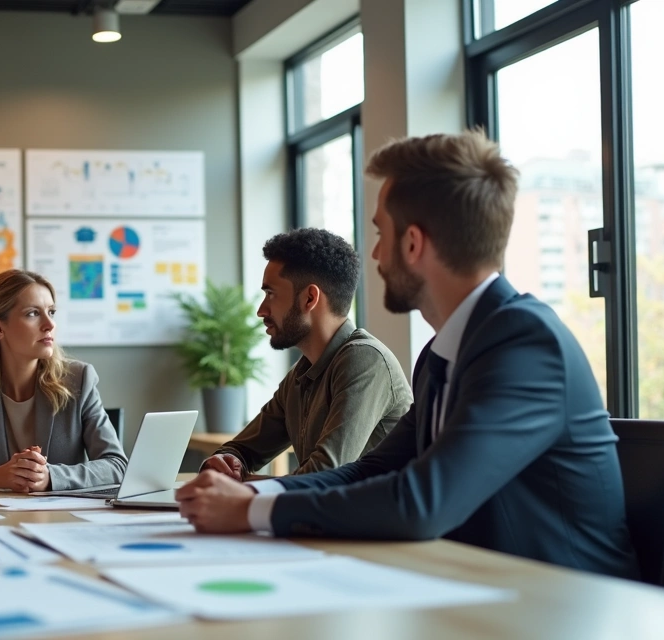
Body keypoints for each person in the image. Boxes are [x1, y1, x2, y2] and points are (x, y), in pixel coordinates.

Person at [176, 130, 639, 580]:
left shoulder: (525, 345)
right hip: (476, 589)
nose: (374, 253)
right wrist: (258, 492)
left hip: (565, 607)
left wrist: (255, 507)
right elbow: (370, 470)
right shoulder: (442, 353)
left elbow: (424, 501)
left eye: (381, 232)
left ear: (414, 243)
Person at [201, 228, 410, 479]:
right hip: (328, 517)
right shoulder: (302, 374)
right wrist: (227, 462)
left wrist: (240, 483)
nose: (261, 310)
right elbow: (240, 450)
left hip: (375, 518)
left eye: (270, 294)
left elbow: (323, 476)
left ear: (310, 298)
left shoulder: (365, 360)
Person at [0, 269, 127, 492]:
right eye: (33, 313)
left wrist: (51, 476)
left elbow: (117, 465)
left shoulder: (79, 379)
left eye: (51, 312)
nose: (49, 324)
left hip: (59, 520)